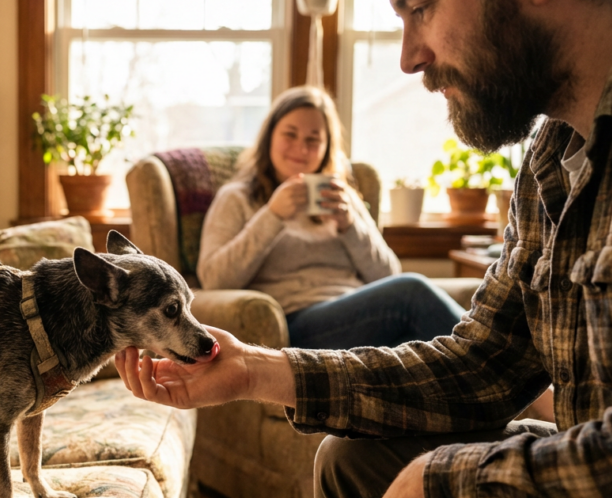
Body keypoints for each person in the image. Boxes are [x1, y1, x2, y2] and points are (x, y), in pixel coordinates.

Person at [117, 0, 612, 498]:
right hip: (299, 317)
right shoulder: (549, 157)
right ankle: (542, 405)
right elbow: (480, 364)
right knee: (346, 466)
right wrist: (253, 368)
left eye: (420, 8)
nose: (409, 58)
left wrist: (434, 480)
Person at [197, 85, 465, 351]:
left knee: (424, 342)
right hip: (296, 322)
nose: (301, 148)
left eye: (313, 140)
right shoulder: (238, 197)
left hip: (363, 314)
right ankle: (491, 362)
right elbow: (215, 280)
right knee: (412, 292)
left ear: (326, 147)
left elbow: (387, 274)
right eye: (290, 134)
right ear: (269, 138)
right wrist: (272, 215)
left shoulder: (342, 196)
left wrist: (350, 226)